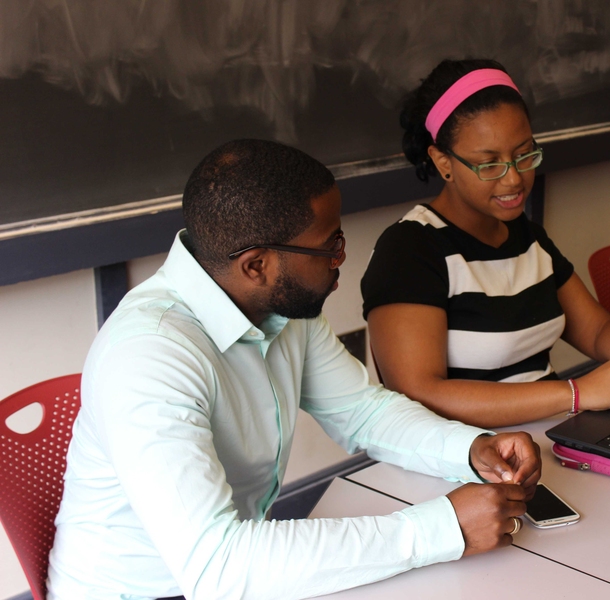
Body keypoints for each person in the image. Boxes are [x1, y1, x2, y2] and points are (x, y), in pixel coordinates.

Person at [47, 139, 541, 600]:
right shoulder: (150, 357)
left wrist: (470, 449)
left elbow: (362, 412)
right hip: (147, 590)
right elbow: (218, 564)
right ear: (257, 265)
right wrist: (442, 528)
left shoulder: (281, 309)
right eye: (330, 246)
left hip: (235, 569)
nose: (340, 259)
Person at [361, 59, 610, 429]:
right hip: (466, 459)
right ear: (443, 162)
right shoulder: (409, 250)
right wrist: (577, 393)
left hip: (547, 436)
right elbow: (419, 394)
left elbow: (598, 329)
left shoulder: (526, 236)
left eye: (524, 154)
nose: (514, 179)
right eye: (489, 164)